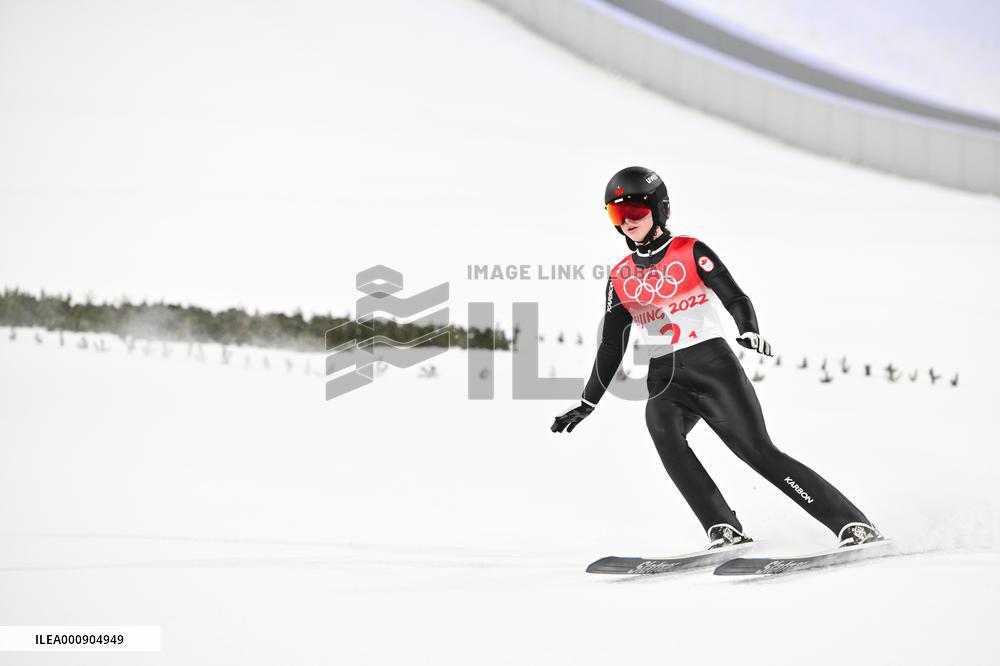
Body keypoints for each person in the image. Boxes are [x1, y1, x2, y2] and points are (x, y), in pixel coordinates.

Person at [550, 166, 882, 550]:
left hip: (714, 368)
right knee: (664, 437)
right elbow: (611, 345)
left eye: (636, 211)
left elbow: (734, 296)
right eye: (617, 214)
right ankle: (723, 527)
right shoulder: (620, 276)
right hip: (665, 378)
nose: (628, 222)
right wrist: (588, 402)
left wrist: (748, 326)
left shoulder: (690, 251)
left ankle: (853, 524)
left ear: (660, 209)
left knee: (758, 453)